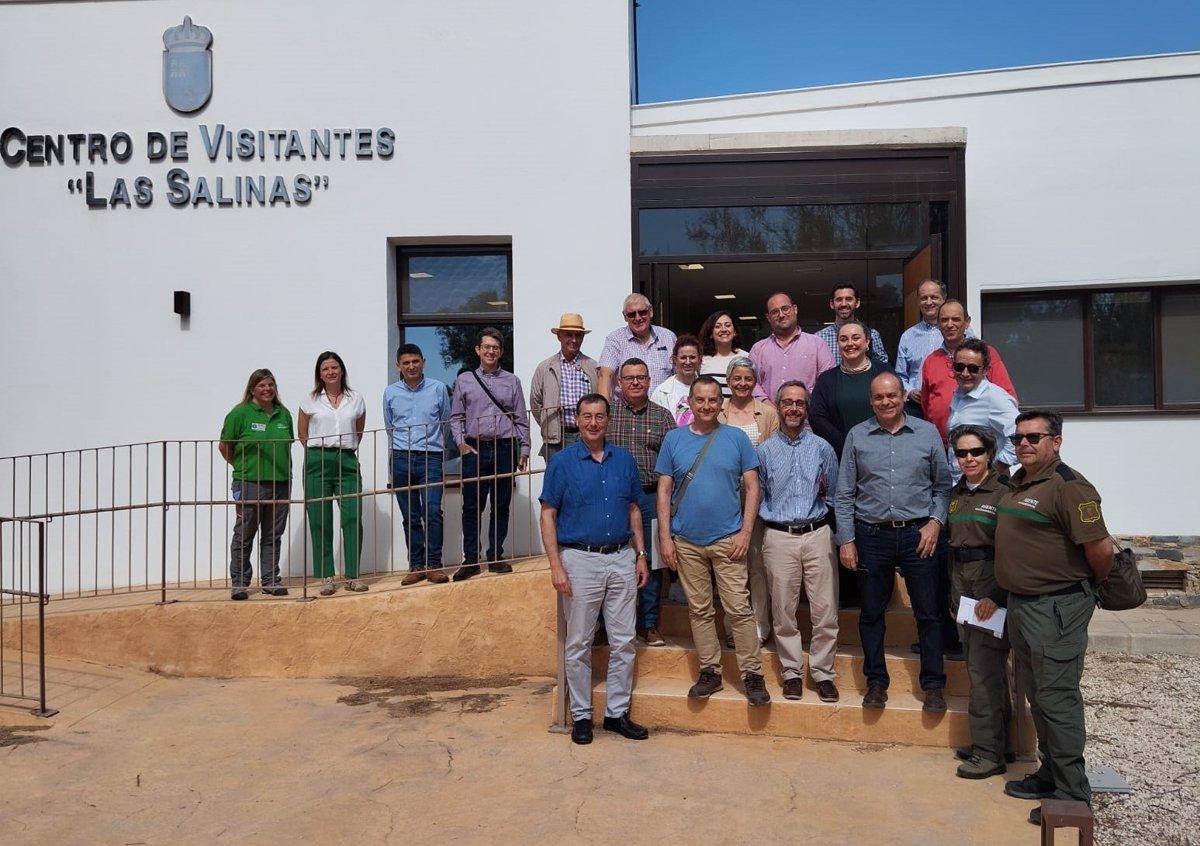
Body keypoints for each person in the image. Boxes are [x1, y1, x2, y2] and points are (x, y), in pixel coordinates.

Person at [995, 411, 1113, 826]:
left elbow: (1101, 551)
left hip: (1055, 606)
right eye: (1018, 437)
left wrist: (1079, 591)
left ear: (1056, 441)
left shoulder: (1070, 487)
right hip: (1024, 605)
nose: (1024, 443)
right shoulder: (1020, 481)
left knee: (1058, 698)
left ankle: (1072, 793)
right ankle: (1051, 773)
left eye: (1034, 437)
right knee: (1039, 697)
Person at [834, 372, 952, 713]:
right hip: (872, 536)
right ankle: (876, 682)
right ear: (871, 401)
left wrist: (935, 522)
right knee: (871, 613)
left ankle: (933, 685)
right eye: (879, 397)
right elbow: (844, 495)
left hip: (919, 535)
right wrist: (846, 540)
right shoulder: (857, 436)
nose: (886, 402)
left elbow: (942, 487)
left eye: (891, 396)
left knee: (929, 613)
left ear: (903, 396)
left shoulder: (927, 432)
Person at [540, 393, 650, 745]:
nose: (592, 422)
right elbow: (547, 514)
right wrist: (555, 564)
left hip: (621, 557)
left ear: (607, 419)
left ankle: (617, 714)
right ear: (577, 418)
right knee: (579, 643)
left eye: (599, 416)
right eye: (586, 416)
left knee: (623, 642)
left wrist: (642, 554)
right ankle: (582, 717)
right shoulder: (563, 462)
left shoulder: (624, 460)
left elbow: (634, 510)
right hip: (579, 560)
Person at [656, 376, 770, 707]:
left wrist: (746, 532)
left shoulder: (735, 438)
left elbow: (753, 488)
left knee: (739, 609)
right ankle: (710, 671)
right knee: (700, 609)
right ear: (689, 404)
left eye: (711, 400)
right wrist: (665, 537)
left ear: (720, 403)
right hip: (687, 541)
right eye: (699, 400)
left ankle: (752, 675)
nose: (706, 406)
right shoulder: (674, 439)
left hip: (728, 538)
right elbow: (664, 491)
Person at [756, 380, 841, 702]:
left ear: (806, 408)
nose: (793, 408)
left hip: (817, 533)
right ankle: (791, 672)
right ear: (778, 407)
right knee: (783, 610)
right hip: (778, 536)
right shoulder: (764, 451)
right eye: (787, 402)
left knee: (825, 610)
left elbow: (833, 492)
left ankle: (822, 673)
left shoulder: (821, 448)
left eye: (799, 403)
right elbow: (758, 492)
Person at [946, 425, 1013, 780]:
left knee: (984, 672)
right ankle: (999, 743)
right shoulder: (956, 494)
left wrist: (996, 596)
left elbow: (1013, 551)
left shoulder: (1004, 493)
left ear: (989, 453)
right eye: (961, 453)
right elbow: (953, 552)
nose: (968, 458)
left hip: (990, 591)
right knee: (983, 668)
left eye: (975, 452)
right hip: (964, 589)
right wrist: (954, 597)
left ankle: (989, 753)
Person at [449, 328, 531, 581]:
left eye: (495, 347)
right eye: (486, 346)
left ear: (501, 352)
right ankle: (471, 559)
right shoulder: (464, 380)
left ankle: (496, 556)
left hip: (504, 448)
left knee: (501, 505)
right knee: (471, 507)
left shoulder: (512, 381)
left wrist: (524, 448)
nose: (490, 351)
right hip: (474, 449)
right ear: (477, 350)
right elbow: (455, 418)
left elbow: (521, 418)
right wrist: (461, 444)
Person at [609, 357, 678, 648]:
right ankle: (605, 626)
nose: (635, 382)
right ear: (619, 383)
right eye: (629, 378)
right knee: (610, 559)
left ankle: (648, 625)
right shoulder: (608, 414)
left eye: (641, 377)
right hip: (613, 498)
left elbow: (674, 462)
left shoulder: (663, 417)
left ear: (650, 381)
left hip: (650, 497)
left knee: (650, 560)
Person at [717, 356, 779, 645]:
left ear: (755, 382)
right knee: (731, 565)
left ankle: (759, 625)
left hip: (757, 499)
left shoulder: (767, 413)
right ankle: (733, 627)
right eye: (737, 378)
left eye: (748, 379)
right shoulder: (717, 412)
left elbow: (775, 456)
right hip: (725, 499)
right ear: (728, 382)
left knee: (756, 563)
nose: (742, 383)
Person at [218, 368, 294, 600]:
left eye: (270, 385)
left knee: (273, 534)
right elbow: (225, 446)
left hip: (280, 483)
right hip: (249, 482)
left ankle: (270, 580)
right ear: (252, 389)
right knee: (245, 533)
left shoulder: (284, 414)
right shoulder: (239, 413)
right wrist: (243, 469)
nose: (267, 389)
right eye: (261, 385)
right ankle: (240, 583)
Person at [298, 352, 367, 596]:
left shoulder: (355, 398)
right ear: (319, 373)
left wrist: (344, 449)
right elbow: (302, 433)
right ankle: (326, 576)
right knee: (320, 519)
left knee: (352, 518)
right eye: (325, 368)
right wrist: (318, 453)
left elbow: (358, 430)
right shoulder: (310, 400)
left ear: (341, 370)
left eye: (334, 367)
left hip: (346, 459)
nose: (330, 372)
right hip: (317, 460)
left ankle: (353, 576)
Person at [384, 343, 452, 586]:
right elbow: (390, 426)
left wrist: (433, 446)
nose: (411, 366)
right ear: (398, 366)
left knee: (432, 511)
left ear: (423, 361)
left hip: (431, 457)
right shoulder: (390, 392)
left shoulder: (438, 388)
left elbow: (446, 420)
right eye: (406, 363)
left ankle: (434, 564)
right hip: (401, 457)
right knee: (410, 515)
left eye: (415, 361)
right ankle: (416, 565)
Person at [919, 299, 1016, 441]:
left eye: (956, 319)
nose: (950, 325)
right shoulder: (931, 360)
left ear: (967, 322)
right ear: (938, 324)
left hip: (978, 450)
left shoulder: (986, 354)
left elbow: (1007, 397)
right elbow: (926, 404)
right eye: (944, 320)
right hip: (941, 445)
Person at [809, 320, 896, 457]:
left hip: (884, 452)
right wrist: (847, 444)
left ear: (867, 341)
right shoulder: (826, 380)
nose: (850, 343)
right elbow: (817, 417)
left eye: (856, 338)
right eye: (843, 339)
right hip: (842, 454)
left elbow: (897, 407)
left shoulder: (884, 372)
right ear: (838, 344)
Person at [895, 280, 975, 410]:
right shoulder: (907, 336)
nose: (928, 302)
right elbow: (900, 375)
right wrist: (909, 390)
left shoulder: (963, 331)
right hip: (917, 406)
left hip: (958, 402)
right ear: (917, 302)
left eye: (934, 297)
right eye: (923, 298)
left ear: (944, 298)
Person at [945, 339, 1018, 481]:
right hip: (961, 482)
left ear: (985, 370)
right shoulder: (959, 394)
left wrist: (995, 469)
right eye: (959, 367)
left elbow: (1019, 436)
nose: (965, 373)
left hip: (986, 487)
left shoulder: (994, 397)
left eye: (973, 368)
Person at [530, 313, 598, 462]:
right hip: (556, 439)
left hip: (586, 435)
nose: (574, 340)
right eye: (569, 335)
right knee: (558, 481)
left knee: (585, 479)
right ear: (559, 336)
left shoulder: (593, 367)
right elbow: (536, 404)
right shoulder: (545, 367)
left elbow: (601, 400)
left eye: (578, 335)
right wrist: (548, 424)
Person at [748, 292, 834, 404]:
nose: (781, 314)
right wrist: (766, 404)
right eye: (775, 312)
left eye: (785, 308)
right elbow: (750, 382)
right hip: (768, 418)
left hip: (808, 418)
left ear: (795, 309)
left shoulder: (817, 344)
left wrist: (803, 403)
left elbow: (827, 381)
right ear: (768, 318)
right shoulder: (758, 349)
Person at [597, 293, 677, 401]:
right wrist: (603, 412)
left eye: (642, 312)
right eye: (632, 314)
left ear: (651, 312)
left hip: (662, 410)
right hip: (627, 412)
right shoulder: (615, 339)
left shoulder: (668, 337)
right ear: (625, 317)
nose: (638, 318)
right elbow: (605, 375)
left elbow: (679, 376)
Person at [815, 284, 889, 366]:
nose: (843, 304)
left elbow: (883, 369)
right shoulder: (818, 338)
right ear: (832, 304)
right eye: (839, 299)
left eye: (849, 299)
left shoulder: (871, 335)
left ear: (857, 303)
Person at [650, 334, 701, 425]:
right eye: (683, 357)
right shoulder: (661, 392)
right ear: (675, 359)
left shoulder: (707, 389)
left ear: (699, 359)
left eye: (692, 357)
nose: (688, 362)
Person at [698, 310, 748, 398]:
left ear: (735, 331)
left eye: (728, 325)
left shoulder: (746, 357)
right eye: (717, 326)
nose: (724, 329)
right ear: (710, 334)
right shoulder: (701, 360)